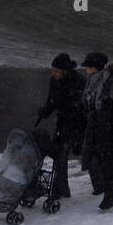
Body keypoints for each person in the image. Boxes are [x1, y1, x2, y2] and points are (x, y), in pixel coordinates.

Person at [80, 52, 113, 211]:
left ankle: (111, 195)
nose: (85, 69)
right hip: (100, 126)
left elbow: (110, 108)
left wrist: (101, 121)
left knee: (108, 160)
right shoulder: (93, 80)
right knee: (104, 160)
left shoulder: (109, 82)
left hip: (112, 128)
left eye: (87, 66)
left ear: (94, 67)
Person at [36, 53, 86, 199]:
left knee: (64, 154)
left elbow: (81, 109)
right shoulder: (54, 81)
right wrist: (44, 112)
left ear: (65, 71)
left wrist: (78, 135)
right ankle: (61, 188)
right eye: (52, 70)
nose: (53, 74)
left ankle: (62, 188)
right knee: (59, 155)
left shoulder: (79, 82)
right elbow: (52, 100)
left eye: (56, 71)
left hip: (77, 124)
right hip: (63, 123)